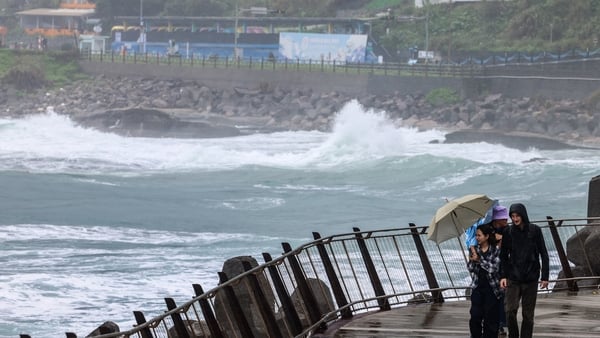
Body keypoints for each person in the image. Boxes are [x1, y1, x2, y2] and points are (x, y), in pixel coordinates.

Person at [500, 203, 549, 338]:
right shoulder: (508, 232)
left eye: (517, 216)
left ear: (523, 215)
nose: (515, 219)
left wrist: (545, 277)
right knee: (510, 310)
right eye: (512, 216)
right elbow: (503, 255)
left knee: (528, 314)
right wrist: (503, 276)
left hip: (531, 278)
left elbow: (543, 253)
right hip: (513, 277)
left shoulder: (535, 230)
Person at [468, 223, 502, 338]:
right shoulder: (475, 250)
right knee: (475, 316)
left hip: (492, 288)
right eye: (476, 236)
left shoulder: (495, 250)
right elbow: (471, 269)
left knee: (490, 319)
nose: (477, 238)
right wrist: (472, 259)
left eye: (479, 235)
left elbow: (493, 268)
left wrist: (479, 260)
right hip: (478, 287)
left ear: (486, 236)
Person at [491, 205, 509, 336]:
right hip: (492, 267)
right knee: (497, 296)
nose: (506, 220)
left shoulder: (506, 231)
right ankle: (499, 323)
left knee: (503, 295)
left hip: (504, 266)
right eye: (504, 218)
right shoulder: (489, 232)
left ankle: (502, 323)